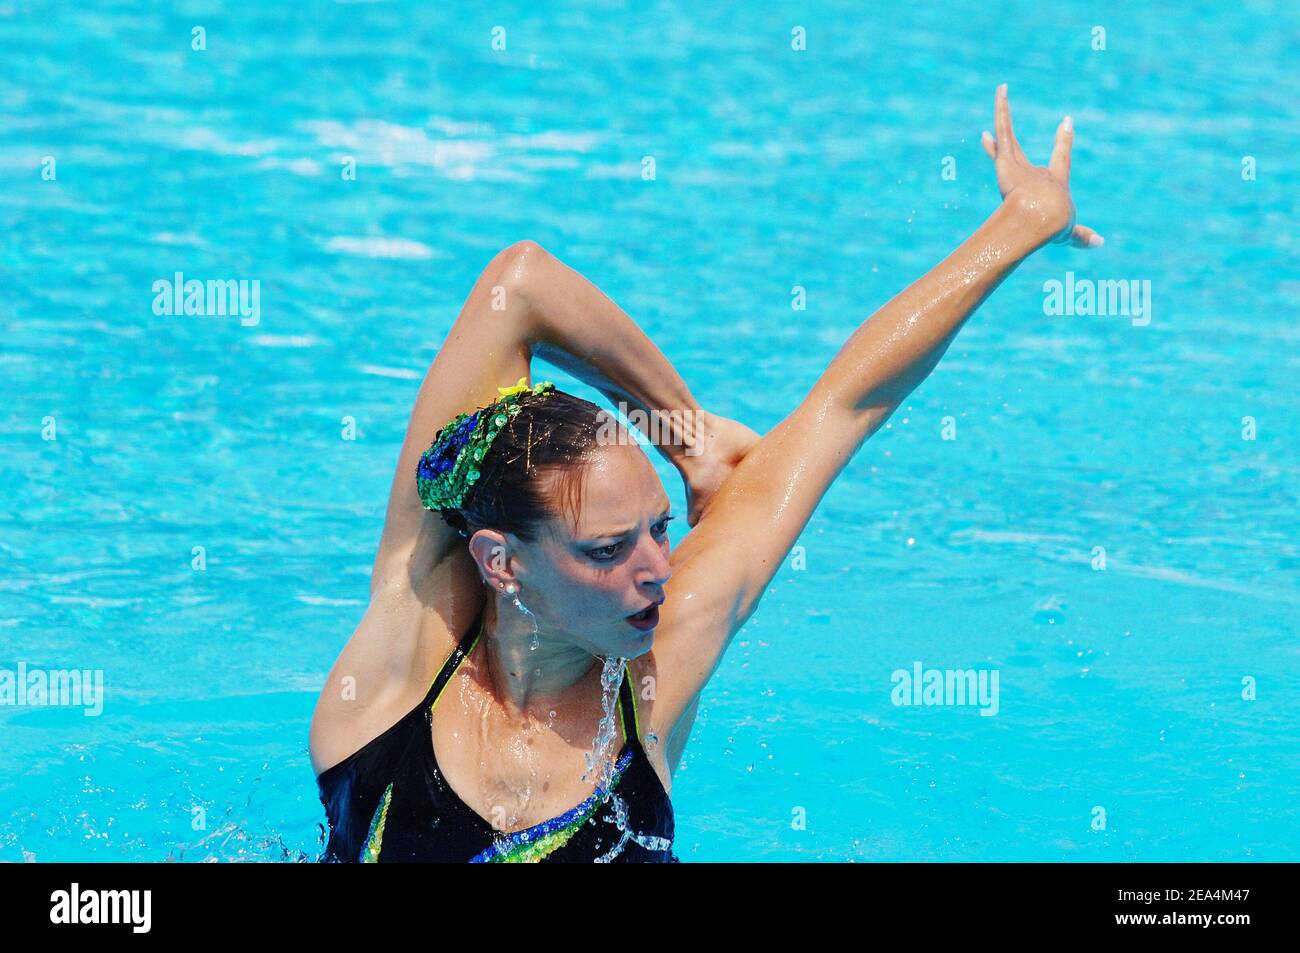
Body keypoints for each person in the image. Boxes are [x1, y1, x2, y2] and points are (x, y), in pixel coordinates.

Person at [309, 85, 1100, 862]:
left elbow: (844, 406)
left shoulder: (657, 668)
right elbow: (519, 286)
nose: (660, 571)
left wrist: (1024, 222)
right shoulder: (404, 658)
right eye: (607, 549)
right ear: (500, 560)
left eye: (660, 528)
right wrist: (692, 443)